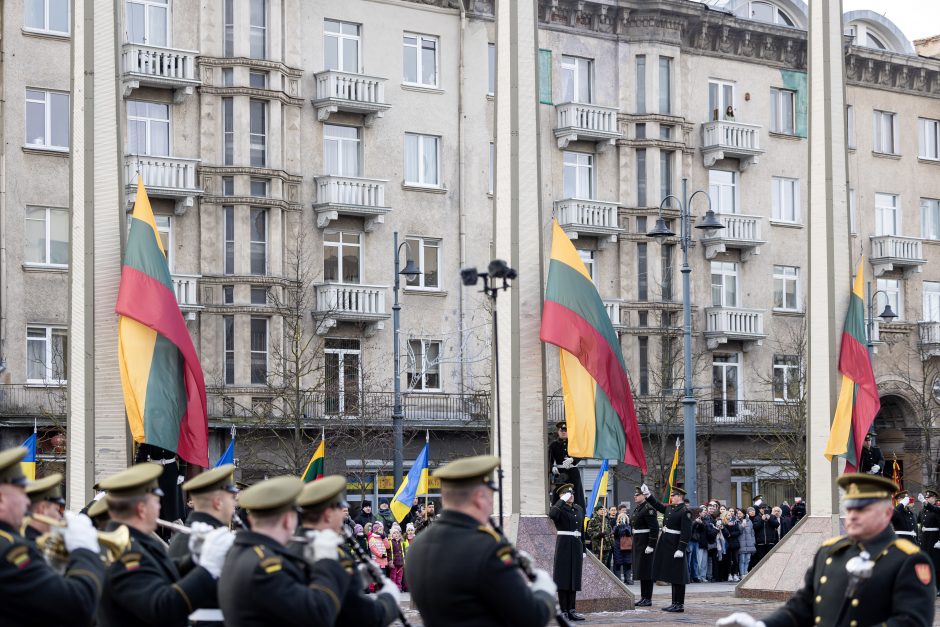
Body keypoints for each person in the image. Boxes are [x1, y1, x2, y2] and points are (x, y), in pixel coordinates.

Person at [718, 473, 936, 627]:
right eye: (850, 509)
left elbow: (912, 621)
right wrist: (761, 625)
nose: (852, 516)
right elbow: (801, 608)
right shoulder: (830, 552)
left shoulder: (909, 560)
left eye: (863, 510)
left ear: (887, 513)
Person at [406, 454, 557, 627]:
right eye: (490, 495)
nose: (491, 503)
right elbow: (530, 617)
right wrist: (544, 591)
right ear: (479, 497)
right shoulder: (488, 549)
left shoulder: (418, 545)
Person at [97, 462, 234, 627]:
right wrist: (207, 569)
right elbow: (162, 608)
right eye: (156, 502)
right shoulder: (125, 552)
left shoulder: (137, 543)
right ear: (142, 509)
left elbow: (159, 571)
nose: (160, 507)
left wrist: (195, 558)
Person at [218, 475, 353, 626]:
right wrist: (326, 562)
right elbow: (319, 615)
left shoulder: (243, 552)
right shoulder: (265, 567)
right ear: (288, 520)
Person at [0, 447, 105, 626]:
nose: (27, 501)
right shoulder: (11, 551)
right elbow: (77, 607)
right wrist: (84, 549)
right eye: (21, 492)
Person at [290, 475, 400, 626]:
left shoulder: (291, 547)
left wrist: (355, 580)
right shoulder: (332, 552)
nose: (344, 515)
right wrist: (389, 599)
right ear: (328, 514)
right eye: (341, 510)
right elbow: (362, 615)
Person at [166, 464, 239, 627]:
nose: (234, 505)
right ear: (218, 502)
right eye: (231, 498)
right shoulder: (210, 539)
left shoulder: (184, 536)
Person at [167, 464, 238, 561]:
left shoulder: (180, 538)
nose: (234, 503)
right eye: (232, 498)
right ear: (218, 503)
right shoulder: (218, 541)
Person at [644, 484, 692, 612]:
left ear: (680, 497)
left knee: (678, 575)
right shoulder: (671, 508)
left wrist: (681, 548)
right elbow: (659, 506)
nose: (671, 497)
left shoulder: (684, 511)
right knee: (672, 574)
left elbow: (686, 532)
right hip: (667, 544)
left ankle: (679, 604)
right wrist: (648, 495)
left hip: (676, 544)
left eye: (673, 495)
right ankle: (674, 602)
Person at [549, 482, 586, 621]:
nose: (571, 496)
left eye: (572, 494)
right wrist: (561, 501)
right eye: (567, 494)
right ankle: (563, 611)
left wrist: (584, 548)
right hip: (564, 545)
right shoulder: (559, 509)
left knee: (574, 578)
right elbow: (552, 514)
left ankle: (572, 609)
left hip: (576, 545)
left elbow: (581, 530)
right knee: (563, 577)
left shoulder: (578, 509)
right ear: (562, 496)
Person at [631, 485, 660, 606]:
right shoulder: (638, 508)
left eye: (637, 495)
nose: (635, 496)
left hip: (645, 542)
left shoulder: (648, 509)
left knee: (647, 572)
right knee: (642, 572)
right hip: (638, 541)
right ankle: (643, 597)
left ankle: (648, 598)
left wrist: (651, 545)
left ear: (643, 496)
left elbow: (654, 529)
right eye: (635, 495)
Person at [548, 421, 585, 511]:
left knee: (577, 495)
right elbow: (549, 459)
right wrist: (552, 467)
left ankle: (578, 514)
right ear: (558, 432)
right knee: (559, 493)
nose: (563, 432)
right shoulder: (553, 445)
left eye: (565, 430)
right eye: (561, 431)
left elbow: (581, 453)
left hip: (572, 472)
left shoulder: (574, 444)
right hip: (560, 474)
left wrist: (573, 459)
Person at [22, 471, 65, 543]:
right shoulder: (32, 545)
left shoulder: (34, 540)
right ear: (42, 508)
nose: (59, 517)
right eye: (56, 510)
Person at [918, 487, 940, 583]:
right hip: (925, 539)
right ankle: (926, 584)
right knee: (924, 562)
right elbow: (918, 524)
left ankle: (937, 586)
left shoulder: (937, 509)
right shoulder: (923, 511)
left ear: (934, 498)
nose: (926, 499)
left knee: (935, 563)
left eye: (929, 497)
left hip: (934, 539)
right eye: (926, 498)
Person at [612, 512, 633, 584]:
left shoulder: (628, 526)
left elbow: (628, 533)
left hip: (627, 547)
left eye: (623, 518)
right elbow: (615, 533)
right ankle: (618, 580)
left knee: (628, 563)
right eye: (621, 518)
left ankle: (628, 579)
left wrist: (624, 526)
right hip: (618, 547)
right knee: (617, 563)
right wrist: (619, 526)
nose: (622, 520)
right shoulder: (616, 526)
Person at [738, 509, 756, 578]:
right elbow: (737, 531)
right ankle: (742, 574)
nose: (739, 515)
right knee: (742, 559)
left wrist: (753, 541)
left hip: (749, 543)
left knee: (748, 559)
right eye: (738, 513)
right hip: (741, 543)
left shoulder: (749, 521)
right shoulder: (737, 521)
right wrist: (742, 526)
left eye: (740, 513)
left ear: (744, 514)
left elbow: (752, 533)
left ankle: (745, 572)